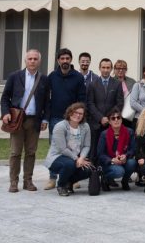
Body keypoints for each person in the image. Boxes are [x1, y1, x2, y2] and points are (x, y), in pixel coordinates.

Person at [0, 48, 49, 192]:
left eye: (35, 59)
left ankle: (28, 181)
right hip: (17, 120)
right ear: (25, 60)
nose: (32, 61)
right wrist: (5, 113)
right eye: (30, 58)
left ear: (39, 61)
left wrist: (45, 118)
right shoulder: (15, 76)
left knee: (31, 153)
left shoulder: (44, 79)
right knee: (15, 152)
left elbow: (47, 101)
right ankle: (13, 182)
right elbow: (5, 98)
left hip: (34, 121)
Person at [44, 47, 86, 190]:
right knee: (55, 148)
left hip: (73, 119)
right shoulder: (52, 77)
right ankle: (52, 178)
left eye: (67, 58)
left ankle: (71, 178)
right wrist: (46, 118)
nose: (65, 61)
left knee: (74, 148)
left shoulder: (78, 77)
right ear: (58, 60)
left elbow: (82, 99)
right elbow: (47, 99)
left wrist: (79, 116)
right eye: (62, 59)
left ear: (71, 60)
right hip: (55, 118)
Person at [44, 102, 92, 197]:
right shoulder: (60, 126)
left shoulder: (85, 126)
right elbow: (62, 149)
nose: (78, 115)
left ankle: (69, 183)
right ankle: (61, 185)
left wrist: (82, 158)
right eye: (75, 112)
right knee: (69, 164)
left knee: (88, 169)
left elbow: (87, 145)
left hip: (76, 158)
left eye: (80, 113)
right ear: (70, 113)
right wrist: (76, 159)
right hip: (57, 157)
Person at [86, 57, 124, 160]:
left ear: (111, 69)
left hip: (111, 123)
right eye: (103, 67)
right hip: (95, 123)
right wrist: (100, 118)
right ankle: (93, 173)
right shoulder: (92, 84)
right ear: (99, 68)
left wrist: (108, 118)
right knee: (94, 149)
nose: (106, 70)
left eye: (108, 67)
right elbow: (90, 103)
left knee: (109, 149)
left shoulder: (117, 84)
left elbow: (119, 103)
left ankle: (106, 172)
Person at [97, 108, 136, 191]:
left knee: (132, 163)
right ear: (109, 121)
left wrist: (125, 155)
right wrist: (112, 160)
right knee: (119, 171)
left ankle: (124, 181)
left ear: (122, 120)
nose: (116, 120)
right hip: (109, 162)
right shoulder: (104, 134)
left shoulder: (129, 132)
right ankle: (105, 179)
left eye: (118, 117)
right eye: (113, 118)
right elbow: (100, 154)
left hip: (124, 160)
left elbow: (133, 149)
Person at [114, 60, 136, 128]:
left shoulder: (132, 81)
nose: (120, 70)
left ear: (126, 70)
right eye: (118, 68)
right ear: (114, 69)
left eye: (123, 68)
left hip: (129, 113)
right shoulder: (111, 81)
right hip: (115, 113)